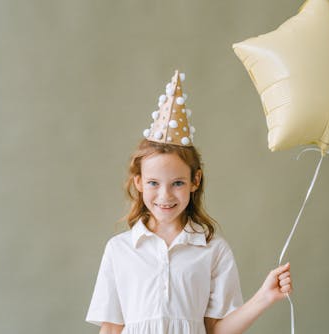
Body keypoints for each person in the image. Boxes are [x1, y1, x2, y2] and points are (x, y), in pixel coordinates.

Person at [86, 71, 292, 334]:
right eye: (153, 183)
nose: (165, 196)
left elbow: (216, 331)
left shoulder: (213, 250)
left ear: (195, 181)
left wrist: (265, 296)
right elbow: (111, 328)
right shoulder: (119, 249)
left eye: (177, 183)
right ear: (138, 182)